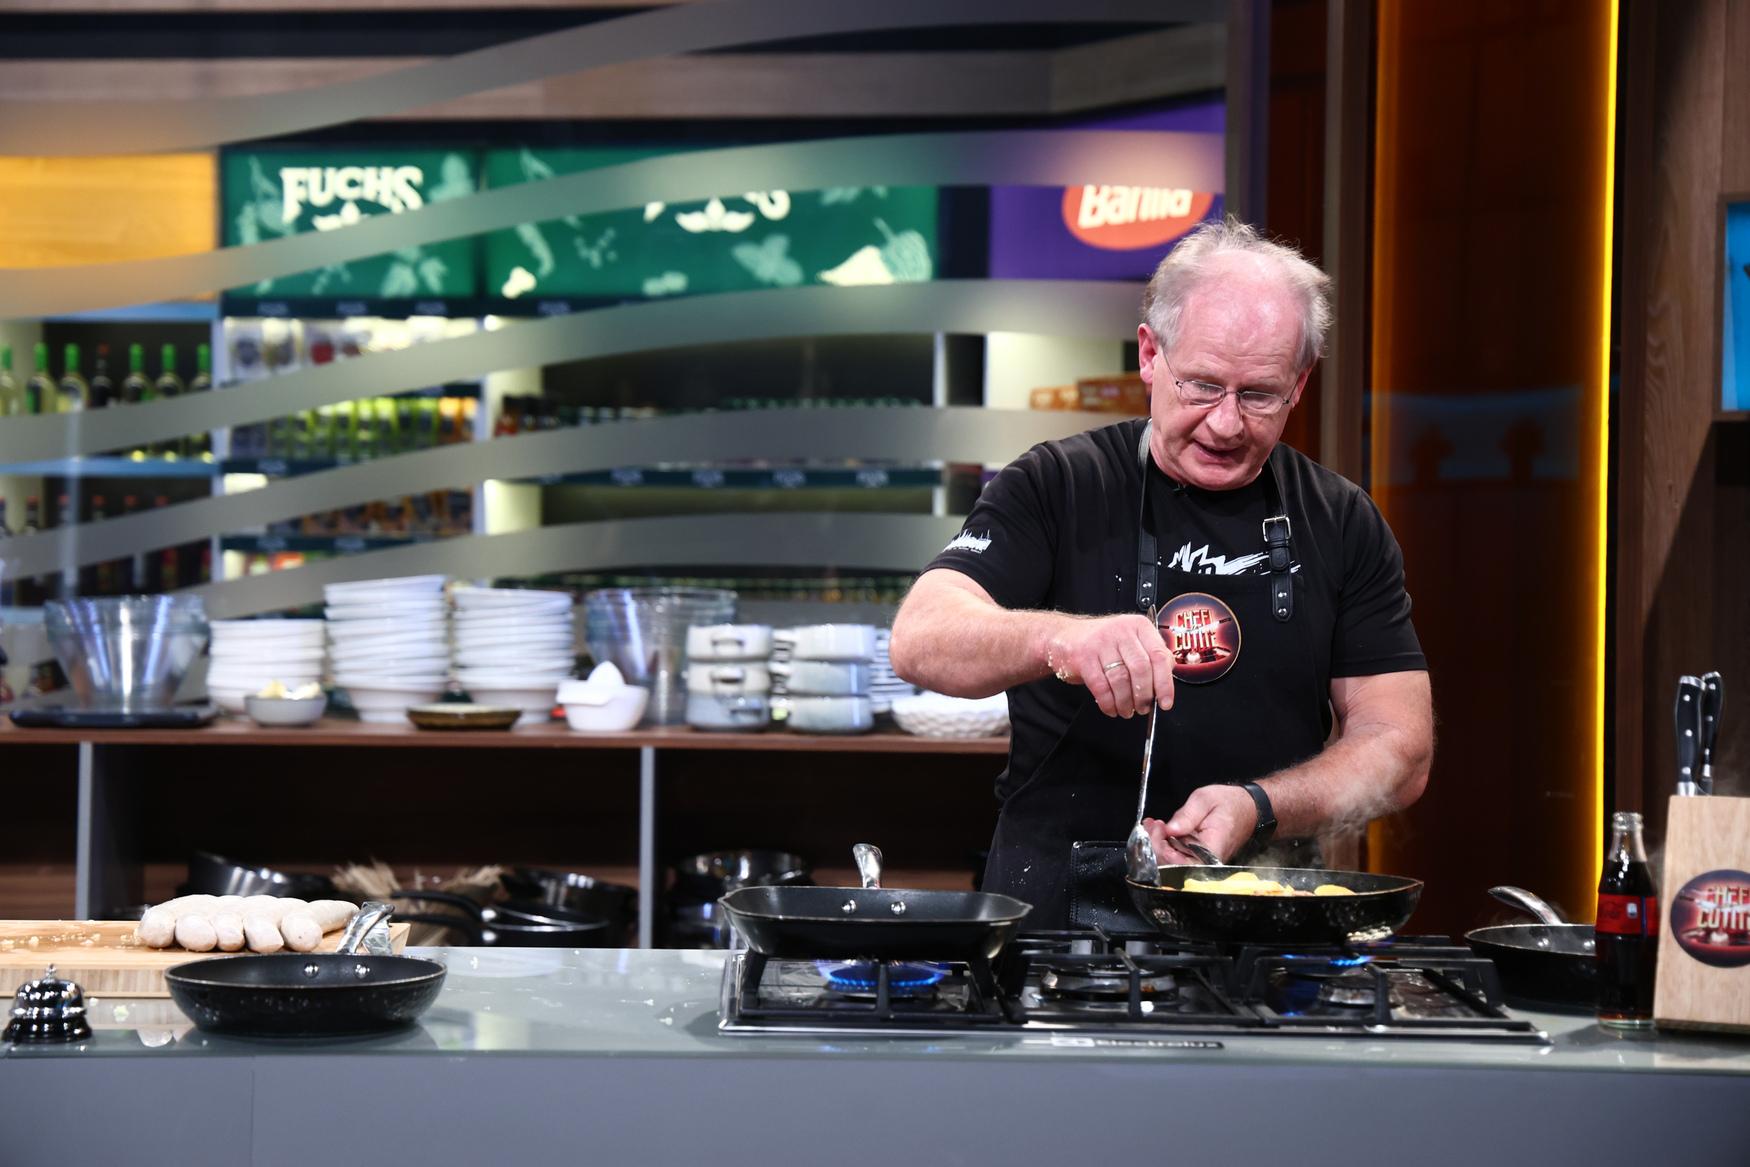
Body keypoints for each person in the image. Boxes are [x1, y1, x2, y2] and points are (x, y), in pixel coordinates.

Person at [888, 216, 1432, 929]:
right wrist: (1062, 639)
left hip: (1262, 919)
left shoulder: (1341, 520)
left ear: (1299, 384)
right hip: (1059, 925)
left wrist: (1260, 806)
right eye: (1201, 385)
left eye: (1259, 394)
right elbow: (921, 637)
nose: (1226, 423)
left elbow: (1400, 748)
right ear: (1150, 354)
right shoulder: (1058, 484)